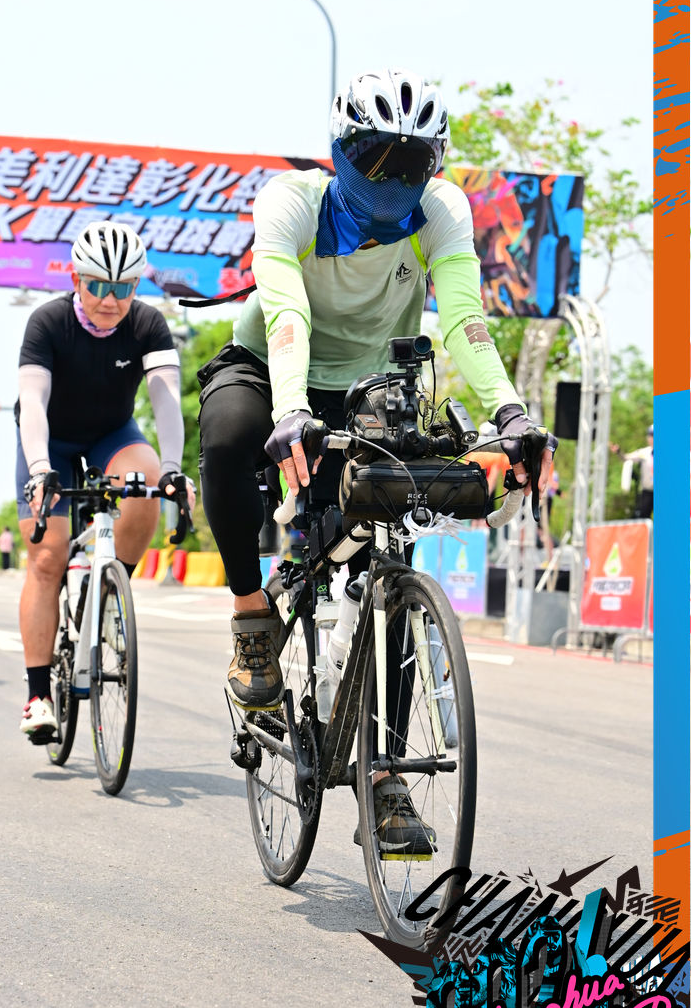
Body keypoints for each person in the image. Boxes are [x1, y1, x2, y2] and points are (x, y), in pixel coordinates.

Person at [198, 68, 557, 853]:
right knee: (224, 440)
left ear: (435, 164)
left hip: (371, 390)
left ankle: (385, 778)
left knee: (386, 561)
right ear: (340, 152)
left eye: (413, 161)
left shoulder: (442, 211)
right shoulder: (292, 202)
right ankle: (253, 619)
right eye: (376, 157)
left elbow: (463, 319)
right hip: (271, 370)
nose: (394, 179)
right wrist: (289, 409)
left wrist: (510, 413)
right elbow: (286, 314)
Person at [15, 220, 195, 742]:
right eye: (97, 285)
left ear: (136, 287)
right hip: (50, 441)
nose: (110, 299)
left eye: (123, 288)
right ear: (76, 280)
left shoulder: (148, 324)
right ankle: (37, 696)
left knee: (148, 482)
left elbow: (165, 400)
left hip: (111, 435)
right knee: (46, 558)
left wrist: (174, 467)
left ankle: (110, 595)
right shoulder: (47, 322)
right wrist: (40, 469)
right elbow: (33, 404)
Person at [614, 424, 653, 520]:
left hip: (664, 491)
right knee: (643, 516)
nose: (650, 438)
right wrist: (618, 452)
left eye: (652, 435)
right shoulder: (644, 452)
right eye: (649, 435)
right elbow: (626, 458)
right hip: (647, 491)